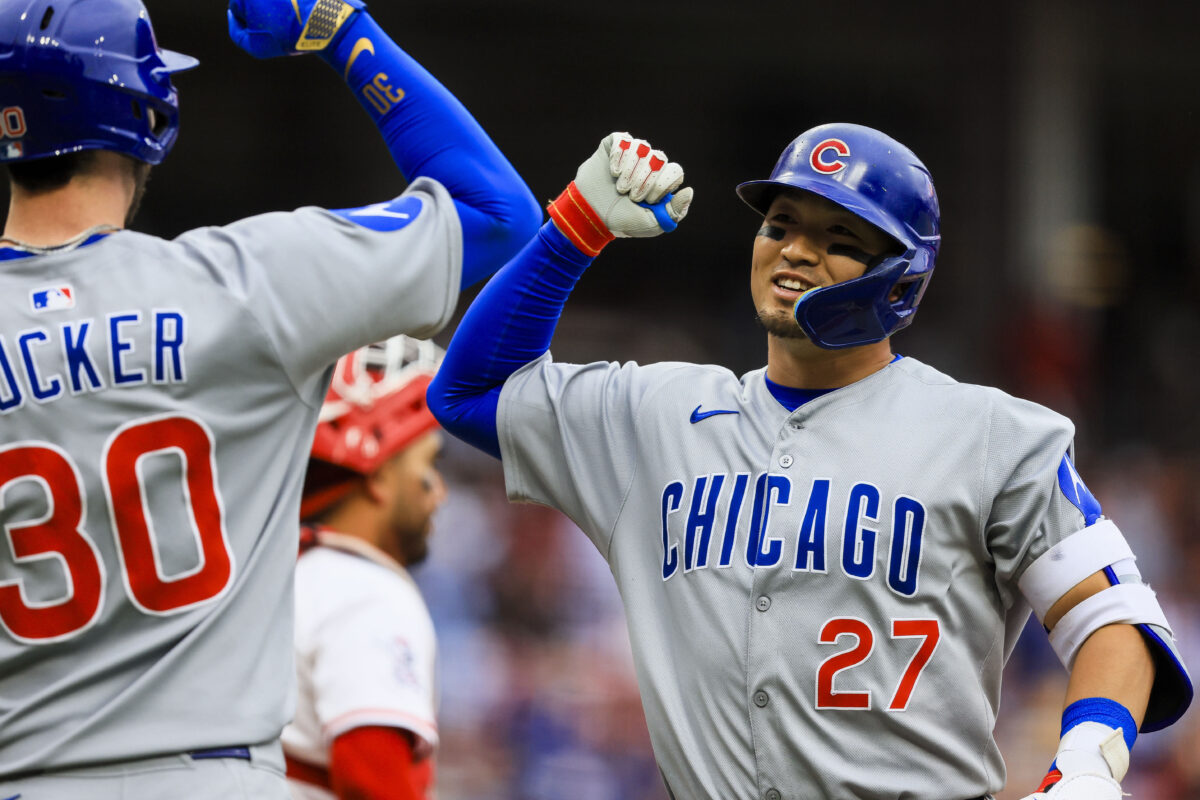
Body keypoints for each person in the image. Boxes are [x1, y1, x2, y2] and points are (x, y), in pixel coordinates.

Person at [426, 127, 1193, 800]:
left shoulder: (989, 431)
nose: (795, 249)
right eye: (781, 224)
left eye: (839, 238)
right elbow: (467, 393)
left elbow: (1114, 618)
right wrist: (572, 231)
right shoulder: (655, 416)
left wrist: (1089, 761)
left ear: (901, 279)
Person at [0, 0, 539, 795]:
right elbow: (500, 214)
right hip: (215, 775)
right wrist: (343, 32)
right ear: (150, 118)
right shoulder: (244, 282)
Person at [283, 335, 447, 800]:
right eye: (429, 467)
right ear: (378, 476)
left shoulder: (273, 572)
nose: (440, 492)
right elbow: (374, 781)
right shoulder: (365, 591)